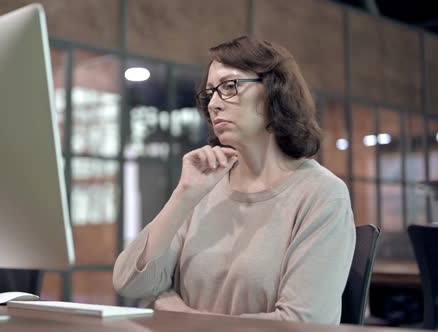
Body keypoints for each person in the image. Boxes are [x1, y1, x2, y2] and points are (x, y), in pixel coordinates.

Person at [112, 36, 356, 325]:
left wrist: (181, 314)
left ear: (275, 91)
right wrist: (183, 196)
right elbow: (131, 285)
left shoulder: (322, 194)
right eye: (210, 93)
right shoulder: (205, 187)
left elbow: (303, 322)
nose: (213, 104)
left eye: (229, 86)